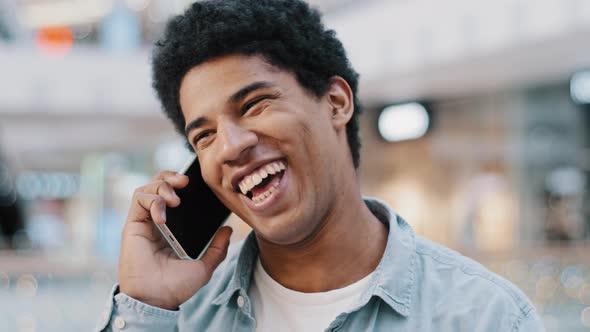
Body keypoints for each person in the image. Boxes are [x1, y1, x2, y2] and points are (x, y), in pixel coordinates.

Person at [97, 0, 543, 331]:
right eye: (204, 135)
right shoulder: (178, 315)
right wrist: (146, 306)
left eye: (254, 104)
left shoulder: (484, 316)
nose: (230, 146)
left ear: (335, 102)